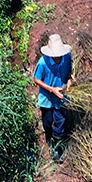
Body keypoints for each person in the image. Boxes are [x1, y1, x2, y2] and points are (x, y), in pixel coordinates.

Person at [31, 33, 73, 162]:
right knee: (47, 123)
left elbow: (69, 73)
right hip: (47, 98)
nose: (58, 56)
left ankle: (57, 150)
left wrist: (69, 83)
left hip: (61, 97)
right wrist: (51, 89)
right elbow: (36, 79)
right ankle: (49, 139)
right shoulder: (43, 62)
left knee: (60, 123)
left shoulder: (67, 57)